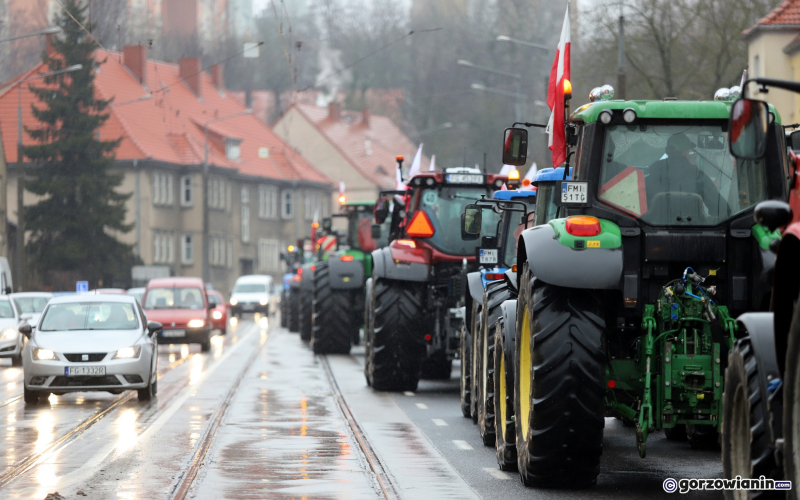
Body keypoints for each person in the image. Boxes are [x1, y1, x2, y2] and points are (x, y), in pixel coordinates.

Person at [645, 133, 728, 221]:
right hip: (695, 228)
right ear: (686, 152)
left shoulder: (648, 179)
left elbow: (637, 211)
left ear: (666, 150)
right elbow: (722, 210)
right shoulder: (700, 178)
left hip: (652, 228)